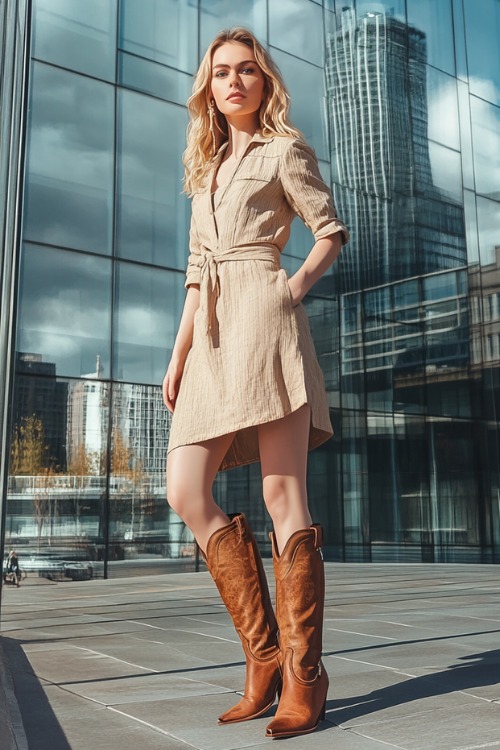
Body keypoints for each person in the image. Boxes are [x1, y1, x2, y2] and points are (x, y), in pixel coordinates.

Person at [163, 27, 349, 739]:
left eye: (246, 71)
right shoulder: (204, 173)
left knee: (282, 494)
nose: (234, 81)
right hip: (209, 336)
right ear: (207, 89)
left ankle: (305, 673)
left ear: (264, 82)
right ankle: (264, 654)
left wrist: (292, 288)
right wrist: (178, 357)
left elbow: (328, 229)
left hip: (265, 321)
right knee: (185, 489)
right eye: (221, 73)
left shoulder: (285, 151)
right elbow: (193, 273)